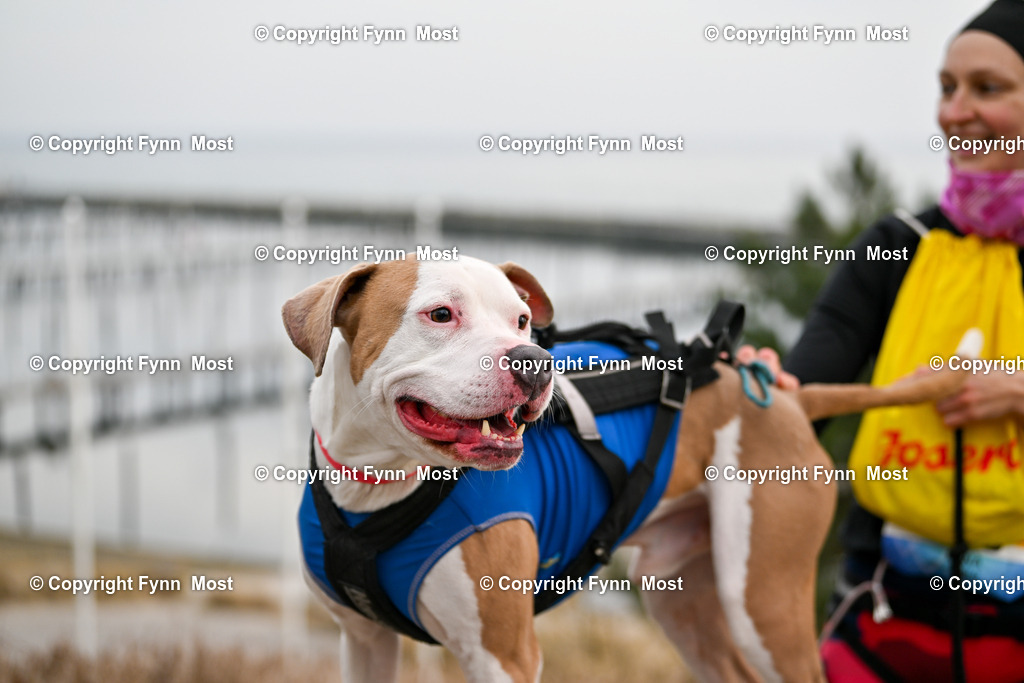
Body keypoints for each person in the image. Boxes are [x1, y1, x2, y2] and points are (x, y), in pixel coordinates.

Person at [740, 1, 1024, 680]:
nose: (955, 111)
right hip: (882, 614)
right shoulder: (900, 244)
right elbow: (821, 364)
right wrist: (774, 388)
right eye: (947, 87)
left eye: (988, 88)